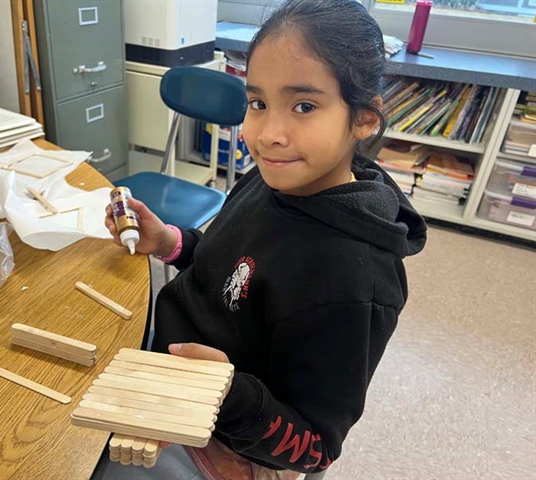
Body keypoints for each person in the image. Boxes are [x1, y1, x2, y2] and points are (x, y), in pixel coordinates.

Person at [103, 0, 427, 478]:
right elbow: (229, 271)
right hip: (172, 363)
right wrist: (170, 242)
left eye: (304, 106)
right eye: (258, 103)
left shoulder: (356, 282)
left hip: (233, 441)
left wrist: (226, 394)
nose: (269, 133)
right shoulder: (272, 178)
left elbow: (316, 447)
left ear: (363, 118)